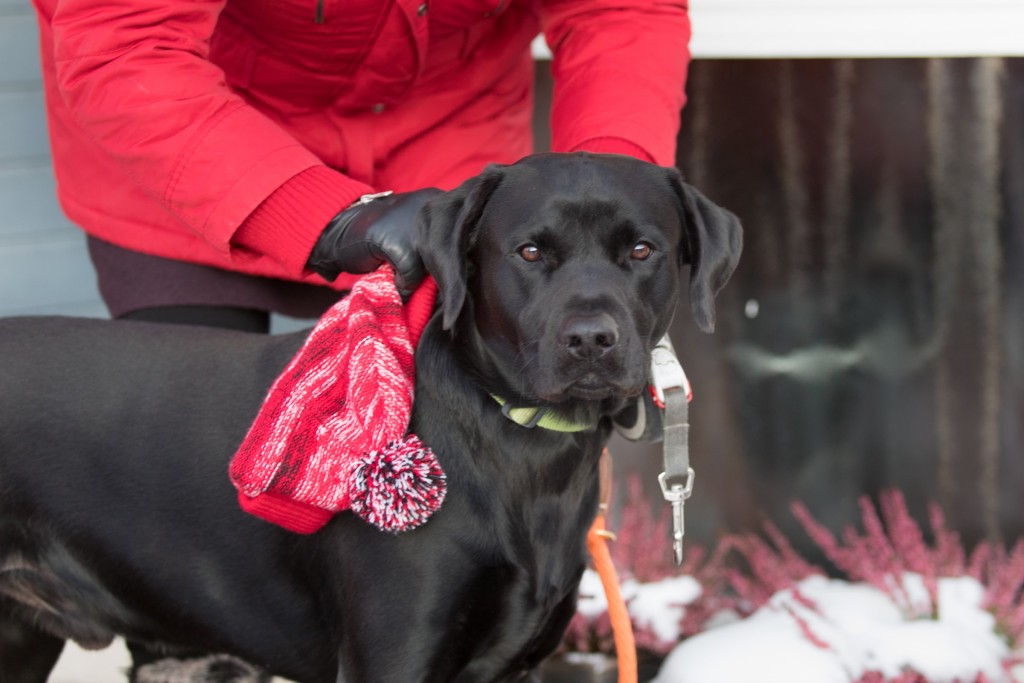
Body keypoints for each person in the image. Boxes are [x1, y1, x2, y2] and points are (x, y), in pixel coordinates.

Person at [31, 0, 692, 333]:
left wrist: (612, 187)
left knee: (464, 481)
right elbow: (129, 49)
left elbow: (618, 12)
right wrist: (322, 215)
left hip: (445, 135)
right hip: (194, 145)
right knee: (196, 478)